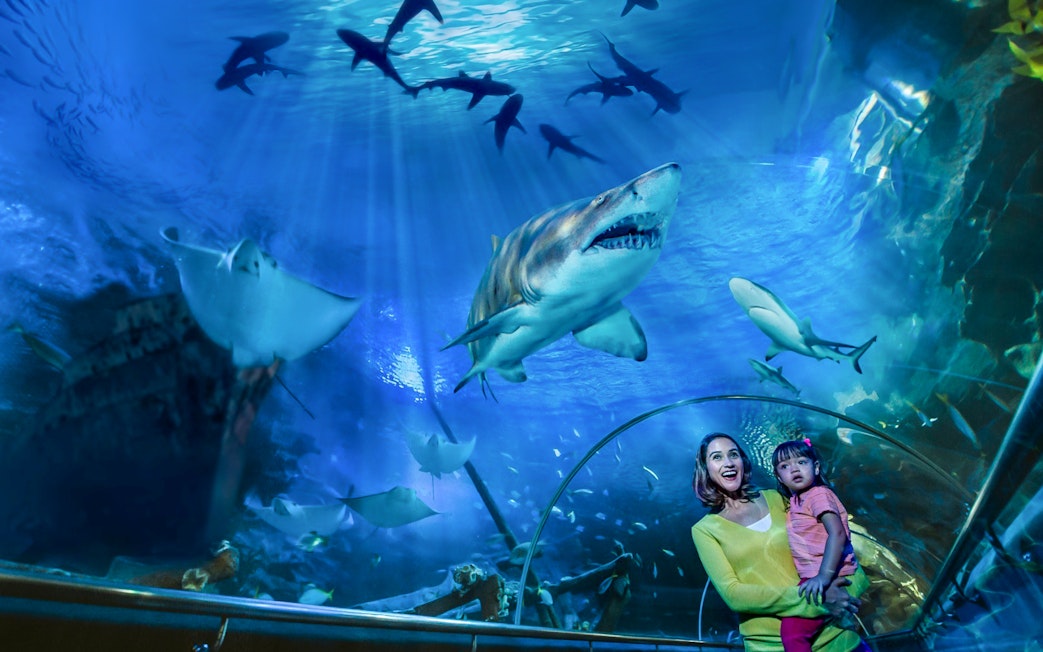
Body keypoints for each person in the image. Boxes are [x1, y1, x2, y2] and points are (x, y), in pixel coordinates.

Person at [690, 432, 871, 652]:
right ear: (705, 469)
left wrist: (845, 590)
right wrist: (819, 599)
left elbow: (840, 544)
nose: (728, 462)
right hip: (771, 646)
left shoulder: (781, 498)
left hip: (838, 639)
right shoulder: (704, 530)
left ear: (743, 461)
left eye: (733, 454)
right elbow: (734, 595)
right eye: (717, 457)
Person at [772, 437, 861, 652]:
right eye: (785, 466)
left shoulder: (818, 494)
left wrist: (823, 577)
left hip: (829, 573)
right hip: (817, 574)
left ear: (817, 467)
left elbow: (837, 533)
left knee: (792, 635)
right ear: (779, 477)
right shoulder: (796, 501)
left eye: (801, 462)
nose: (794, 469)